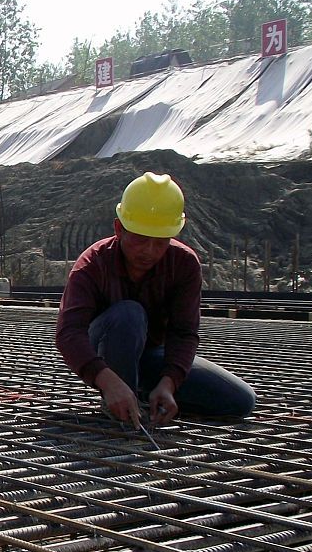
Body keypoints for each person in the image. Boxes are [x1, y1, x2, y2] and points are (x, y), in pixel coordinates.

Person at [55, 172, 255, 428]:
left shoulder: (184, 264)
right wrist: (107, 380)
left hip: (150, 355)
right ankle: (119, 398)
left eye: (160, 242)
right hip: (103, 352)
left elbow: (184, 333)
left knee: (240, 401)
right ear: (119, 229)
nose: (149, 252)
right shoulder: (93, 264)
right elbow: (69, 333)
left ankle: (142, 395)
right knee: (129, 314)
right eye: (140, 239)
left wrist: (169, 382)